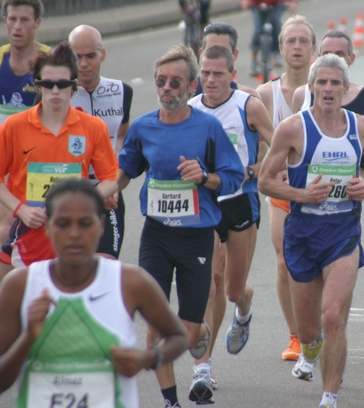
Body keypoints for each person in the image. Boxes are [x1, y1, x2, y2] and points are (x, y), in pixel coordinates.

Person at [116, 44, 243, 408]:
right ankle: (171, 401)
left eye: (175, 82)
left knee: (186, 331)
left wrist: (204, 176)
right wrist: (103, 193)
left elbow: (233, 177)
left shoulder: (208, 127)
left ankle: (200, 331)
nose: (167, 88)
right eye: (161, 81)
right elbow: (124, 172)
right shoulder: (143, 127)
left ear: (191, 86)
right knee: (155, 324)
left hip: (196, 237)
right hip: (157, 235)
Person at [258, 53, 364, 408]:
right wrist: (302, 195)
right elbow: (264, 181)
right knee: (309, 331)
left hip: (342, 233)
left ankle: (329, 396)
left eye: (335, 83)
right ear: (311, 87)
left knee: (332, 317)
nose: (328, 89)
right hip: (302, 234)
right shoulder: (292, 129)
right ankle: (310, 348)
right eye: (322, 82)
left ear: (346, 88)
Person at [0, 177, 189, 407]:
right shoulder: (20, 285)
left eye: (85, 223)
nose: (74, 234)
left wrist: (147, 358)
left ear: (101, 225)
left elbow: (178, 336)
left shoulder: (130, 282)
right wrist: (28, 338)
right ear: (48, 227)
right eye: (63, 224)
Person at [186, 44, 274, 403]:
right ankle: (203, 367)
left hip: (240, 202)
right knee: (211, 281)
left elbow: (281, 147)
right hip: (205, 202)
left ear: (232, 75)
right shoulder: (191, 108)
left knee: (233, 290)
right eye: (205, 73)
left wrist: (252, 171)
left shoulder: (248, 106)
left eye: (218, 73)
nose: (210, 80)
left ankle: (244, 307)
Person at [0, 41, 118, 270]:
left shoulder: (93, 127)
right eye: (48, 84)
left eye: (62, 84)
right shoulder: (14, 126)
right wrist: (21, 209)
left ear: (73, 85)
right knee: (26, 293)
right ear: (38, 84)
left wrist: (81, 201)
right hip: (29, 235)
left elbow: (110, 179)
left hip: (73, 236)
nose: (55, 91)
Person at [256, 14, 316, 362]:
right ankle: (296, 337)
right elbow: (260, 149)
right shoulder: (267, 93)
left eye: (303, 41)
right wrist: (270, 170)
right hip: (280, 192)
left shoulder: (325, 88)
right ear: (280, 48)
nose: (296, 47)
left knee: (318, 263)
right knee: (284, 262)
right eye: (290, 41)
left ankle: (316, 330)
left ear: (313, 48)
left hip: (319, 192)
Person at [69, 24, 133, 260]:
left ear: (102, 54)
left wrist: (114, 181)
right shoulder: (59, 94)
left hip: (107, 191)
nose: (83, 63)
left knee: (106, 263)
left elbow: (122, 134)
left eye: (90, 56)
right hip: (71, 190)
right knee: (72, 264)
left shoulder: (122, 91)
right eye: (77, 57)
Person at [0, 0, 50, 279]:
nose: (17, 26)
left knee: (14, 234)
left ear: (37, 23)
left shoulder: (49, 62)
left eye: (25, 20)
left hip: (36, 167)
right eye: (12, 19)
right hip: (3, 162)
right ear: (5, 21)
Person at [292, 30, 364, 117]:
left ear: (352, 58)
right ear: (319, 57)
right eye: (327, 54)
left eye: (339, 54)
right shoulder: (302, 95)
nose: (333, 59)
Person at [242, 0, 297, 76]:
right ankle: (254, 61)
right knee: (258, 31)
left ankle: (277, 53)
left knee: (275, 21)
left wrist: (292, 2)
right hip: (257, 4)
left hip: (276, 4)